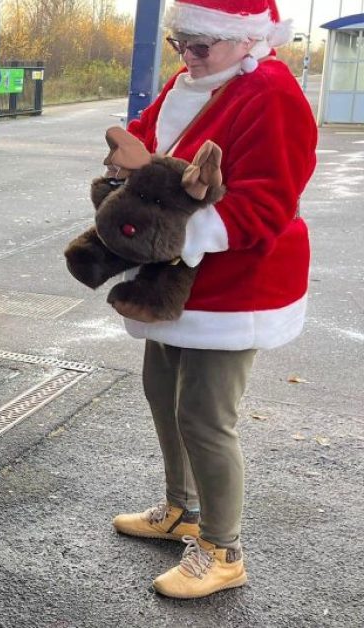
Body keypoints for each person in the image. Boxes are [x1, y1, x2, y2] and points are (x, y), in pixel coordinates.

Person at [108, 0, 316, 600]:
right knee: (161, 393)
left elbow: (267, 205)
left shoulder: (273, 94)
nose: (189, 57)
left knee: (205, 416)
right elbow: (145, 149)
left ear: (247, 39)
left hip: (239, 283)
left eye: (202, 46)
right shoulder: (188, 79)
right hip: (173, 279)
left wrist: (165, 230)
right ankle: (183, 510)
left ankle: (223, 549)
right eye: (181, 44)